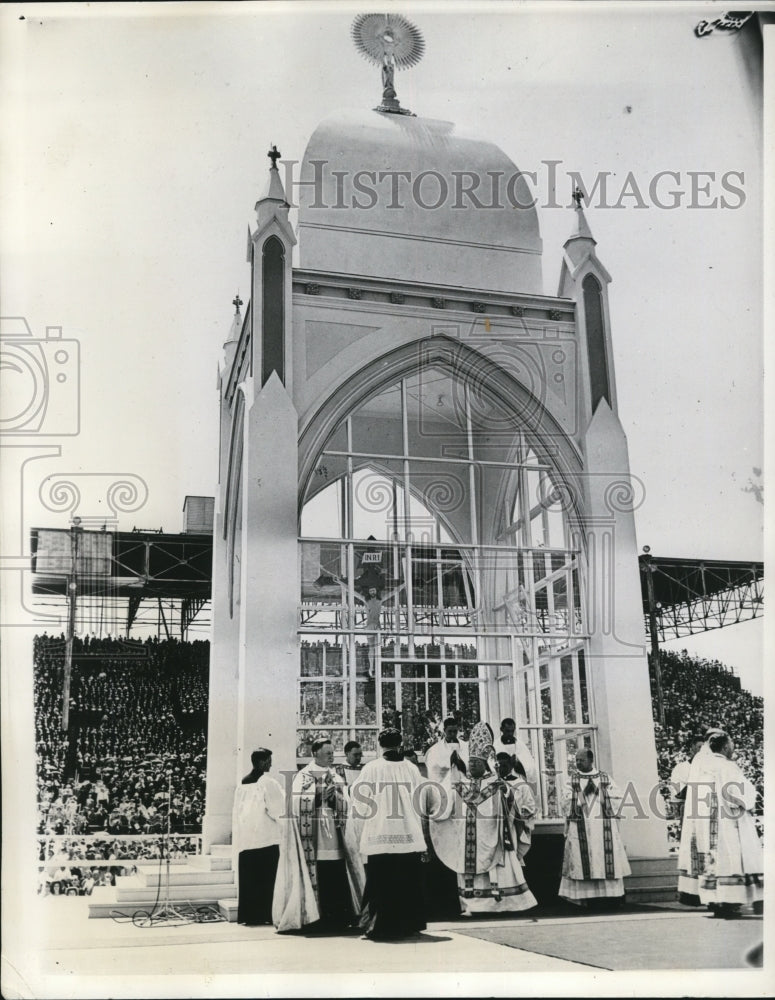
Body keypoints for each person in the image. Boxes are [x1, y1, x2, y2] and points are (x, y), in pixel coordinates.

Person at [427, 722, 537, 915]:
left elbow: (512, 808)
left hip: (492, 835)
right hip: (467, 837)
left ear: (484, 763)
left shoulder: (496, 783)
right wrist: (434, 809)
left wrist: (507, 795)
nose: (472, 765)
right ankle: (471, 905)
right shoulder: (459, 784)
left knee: (497, 868)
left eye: (476, 763)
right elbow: (444, 804)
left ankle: (502, 904)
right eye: (470, 762)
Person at [273, 738, 364, 933]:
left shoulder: (336, 775)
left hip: (334, 830)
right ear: (315, 754)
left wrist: (336, 798)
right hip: (314, 834)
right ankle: (317, 918)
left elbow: (346, 803)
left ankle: (339, 916)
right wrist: (319, 797)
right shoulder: (304, 776)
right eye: (327, 753)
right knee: (320, 870)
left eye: (333, 752)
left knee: (336, 869)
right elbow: (295, 805)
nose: (332, 756)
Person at [349, 728, 428, 940]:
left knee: (380, 883)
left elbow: (360, 802)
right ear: (400, 743)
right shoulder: (411, 768)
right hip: (408, 834)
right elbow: (420, 801)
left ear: (379, 744)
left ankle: (377, 926)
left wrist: (360, 827)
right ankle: (409, 924)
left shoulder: (372, 768)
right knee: (406, 881)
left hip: (380, 834)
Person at [691, 732, 763, 918]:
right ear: (724, 747)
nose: (733, 748)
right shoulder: (727, 767)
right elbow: (737, 794)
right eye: (731, 744)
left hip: (708, 824)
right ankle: (729, 901)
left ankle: (715, 900)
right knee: (729, 859)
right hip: (727, 823)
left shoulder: (702, 768)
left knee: (714, 860)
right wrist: (750, 799)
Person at [558, 746, 631, 908]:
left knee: (605, 860)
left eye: (581, 760)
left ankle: (610, 898)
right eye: (576, 760)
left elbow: (618, 797)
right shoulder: (572, 779)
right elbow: (565, 800)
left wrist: (599, 792)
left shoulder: (605, 778)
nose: (578, 763)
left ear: (591, 760)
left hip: (603, 829)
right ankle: (584, 898)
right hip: (580, 827)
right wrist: (583, 795)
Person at [231, 748, 283, 925]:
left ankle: (250, 916)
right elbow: (278, 810)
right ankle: (267, 915)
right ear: (260, 762)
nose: (271, 764)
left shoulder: (242, 783)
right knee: (267, 880)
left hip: (247, 840)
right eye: (268, 760)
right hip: (266, 838)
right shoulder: (268, 782)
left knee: (250, 881)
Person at [496, 753, 535, 864]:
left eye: (504, 766)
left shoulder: (521, 784)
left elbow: (530, 807)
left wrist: (516, 812)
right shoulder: (493, 784)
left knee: (511, 860)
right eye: (498, 766)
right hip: (495, 828)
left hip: (512, 827)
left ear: (511, 766)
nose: (501, 769)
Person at [669, 734, 704, 830]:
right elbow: (678, 794)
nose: (702, 751)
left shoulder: (712, 768)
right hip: (689, 814)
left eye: (705, 748)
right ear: (692, 748)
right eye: (699, 747)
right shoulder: (681, 768)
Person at [492, 718, 537, 788]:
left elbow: (530, 766)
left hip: (518, 781)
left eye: (512, 731)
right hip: (502, 782)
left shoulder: (520, 745)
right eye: (507, 731)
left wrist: (517, 764)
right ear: (501, 729)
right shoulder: (495, 746)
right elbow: (491, 765)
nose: (510, 734)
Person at [425, 717, 468, 785]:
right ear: (444, 730)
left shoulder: (466, 747)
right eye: (450, 731)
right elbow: (433, 773)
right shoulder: (435, 750)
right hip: (445, 786)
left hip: (464, 786)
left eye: (455, 731)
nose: (453, 734)